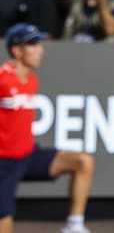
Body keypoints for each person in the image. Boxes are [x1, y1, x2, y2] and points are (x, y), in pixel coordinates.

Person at [0, 23, 95, 233]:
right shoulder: (2, 79)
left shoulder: (32, 80)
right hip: (3, 164)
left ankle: (74, 226)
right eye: (33, 44)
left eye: (39, 44)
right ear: (17, 51)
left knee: (83, 162)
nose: (40, 50)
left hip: (28, 155)